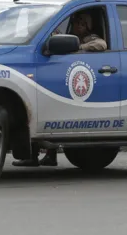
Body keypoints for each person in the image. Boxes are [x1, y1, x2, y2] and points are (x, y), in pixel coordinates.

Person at [15, 11, 106, 168]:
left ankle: (48, 156)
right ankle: (38, 156)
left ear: (88, 27)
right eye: (76, 22)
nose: (77, 25)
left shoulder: (89, 39)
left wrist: (80, 47)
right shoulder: (66, 36)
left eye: (82, 23)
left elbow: (101, 45)